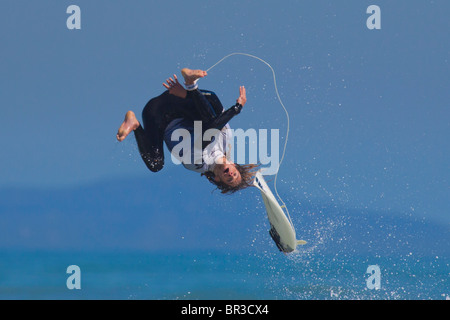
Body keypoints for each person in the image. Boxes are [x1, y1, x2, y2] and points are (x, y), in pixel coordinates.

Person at [116, 68, 259, 194]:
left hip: (156, 114)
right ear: (233, 164)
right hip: (178, 99)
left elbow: (208, 134)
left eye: (229, 179)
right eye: (235, 174)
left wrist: (237, 108)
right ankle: (190, 85)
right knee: (215, 115)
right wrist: (187, 95)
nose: (231, 175)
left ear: (217, 178)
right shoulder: (226, 141)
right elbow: (213, 101)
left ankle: (134, 124)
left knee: (156, 165)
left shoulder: (198, 164)